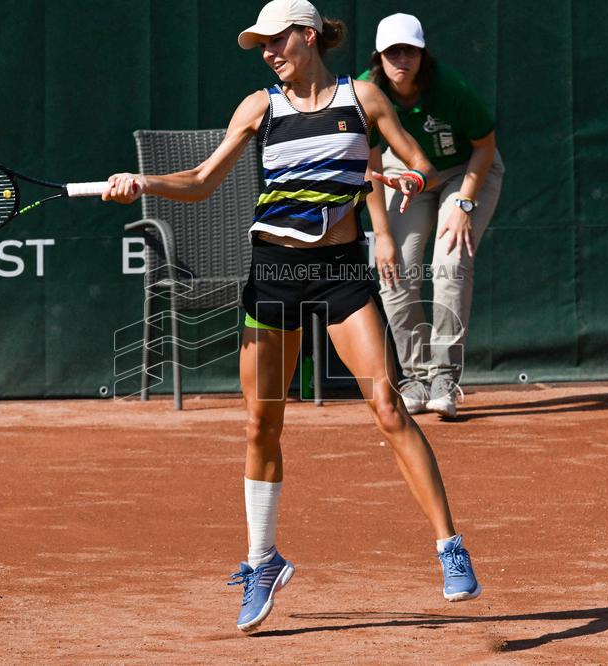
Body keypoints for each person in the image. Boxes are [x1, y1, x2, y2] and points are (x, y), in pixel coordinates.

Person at [103, 0, 481, 633]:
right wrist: (144, 184)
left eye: (277, 41)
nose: (269, 53)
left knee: (387, 406)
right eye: (262, 46)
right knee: (260, 423)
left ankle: (450, 547)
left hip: (339, 274)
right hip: (273, 274)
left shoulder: (363, 97)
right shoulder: (259, 108)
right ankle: (262, 561)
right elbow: (201, 180)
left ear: (308, 36)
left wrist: (409, 182)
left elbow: (419, 164)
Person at [360, 13, 504, 419]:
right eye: (392, 52)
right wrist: (382, 236)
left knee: (451, 264)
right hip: (403, 174)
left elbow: (485, 147)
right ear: (379, 57)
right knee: (395, 270)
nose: (401, 60)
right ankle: (415, 378)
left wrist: (464, 204)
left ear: (423, 55)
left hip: (465, 173)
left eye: (410, 51)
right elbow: (370, 167)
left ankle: (444, 378)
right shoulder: (367, 93)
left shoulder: (451, 88)